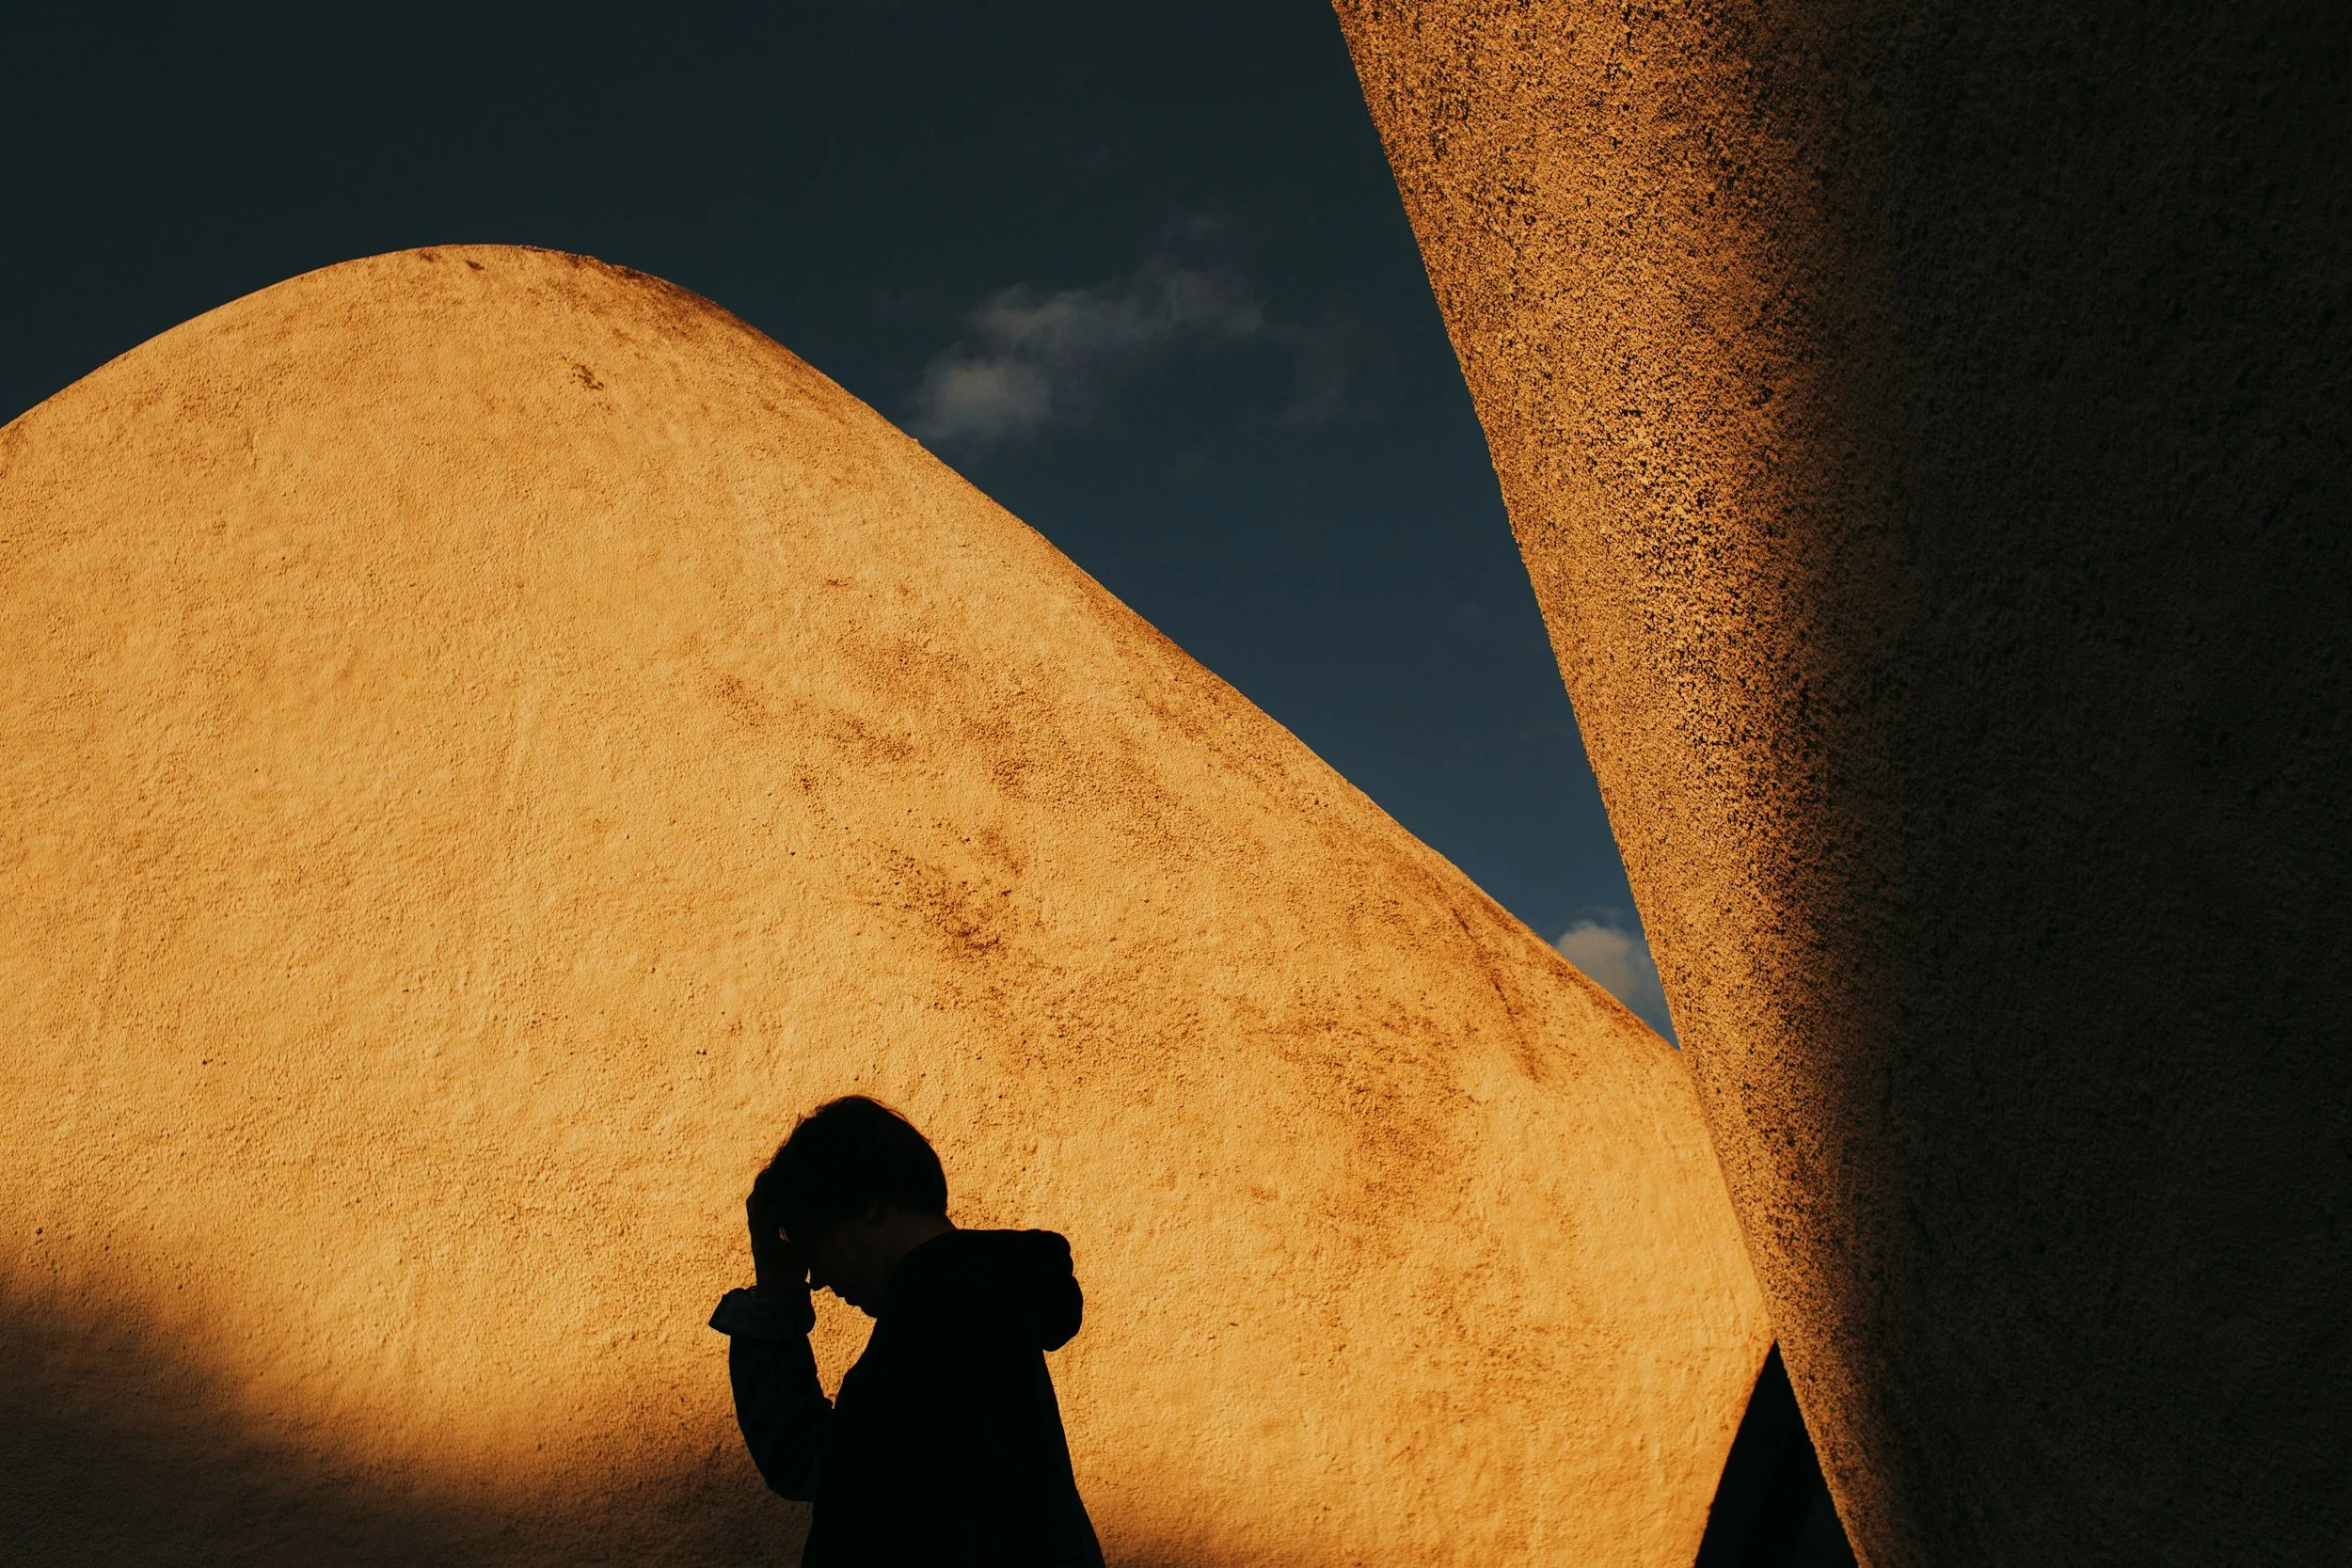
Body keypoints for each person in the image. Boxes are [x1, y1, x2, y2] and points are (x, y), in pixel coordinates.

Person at [709, 1095, 1106, 1567]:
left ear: (869, 1207)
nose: (818, 1279)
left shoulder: (930, 1332)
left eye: (817, 1245)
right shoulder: (976, 1308)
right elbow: (825, 1464)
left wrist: (776, 1295)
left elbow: (825, 1474)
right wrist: (776, 1293)